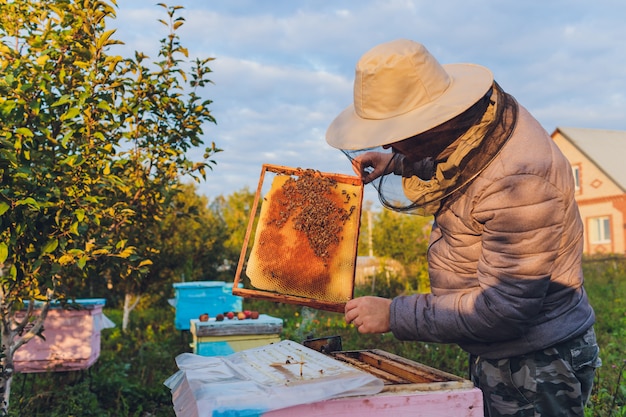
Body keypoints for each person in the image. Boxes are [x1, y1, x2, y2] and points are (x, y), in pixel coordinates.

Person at [325, 39, 601, 417]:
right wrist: (397, 161)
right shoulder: (477, 126)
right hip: (505, 351)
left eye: (396, 132)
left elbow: (503, 308)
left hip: (536, 363)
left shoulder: (520, 179)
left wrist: (394, 314)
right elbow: (456, 160)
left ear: (433, 121)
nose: (388, 140)